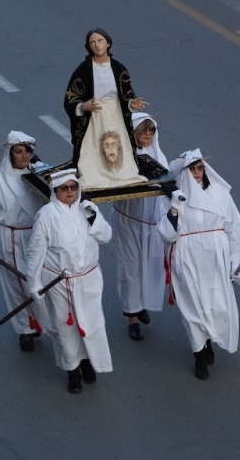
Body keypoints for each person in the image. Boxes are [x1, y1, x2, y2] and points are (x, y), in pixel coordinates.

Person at [158, 149, 240, 380]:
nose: (197, 172)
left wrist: (236, 260)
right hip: (187, 256)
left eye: (200, 168)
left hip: (215, 258)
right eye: (192, 168)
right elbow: (167, 234)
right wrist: (174, 207)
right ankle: (199, 354)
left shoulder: (220, 193)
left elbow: (235, 227)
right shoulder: (174, 198)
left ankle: (209, 339)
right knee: (192, 308)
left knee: (216, 304)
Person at [26, 169, 113, 393]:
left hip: (89, 279)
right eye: (64, 188)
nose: (70, 192)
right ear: (55, 191)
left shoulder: (88, 210)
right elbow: (36, 251)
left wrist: (94, 218)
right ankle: (72, 369)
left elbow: (106, 237)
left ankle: (87, 360)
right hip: (59, 281)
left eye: (73, 187)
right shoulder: (46, 215)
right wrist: (33, 283)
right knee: (66, 326)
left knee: (91, 322)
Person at [0, 131, 50, 352]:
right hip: (12, 238)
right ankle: (25, 330)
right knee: (17, 285)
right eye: (18, 151)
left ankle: (39, 321)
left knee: (39, 283)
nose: (24, 155)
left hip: (36, 236)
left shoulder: (40, 173)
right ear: (10, 154)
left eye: (27, 151)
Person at [63, 28, 149, 189]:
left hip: (115, 115)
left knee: (119, 144)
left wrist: (132, 104)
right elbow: (71, 96)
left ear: (108, 43)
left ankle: (122, 173)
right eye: (92, 43)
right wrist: (84, 106)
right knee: (94, 146)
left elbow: (126, 95)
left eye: (100, 41)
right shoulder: (83, 70)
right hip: (94, 117)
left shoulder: (118, 68)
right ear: (88, 47)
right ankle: (94, 174)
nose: (97, 45)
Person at [110, 113, 169, 341]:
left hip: (151, 223)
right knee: (130, 270)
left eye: (151, 131)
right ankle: (132, 317)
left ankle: (140, 304)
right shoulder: (123, 157)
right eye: (143, 131)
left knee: (149, 267)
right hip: (128, 222)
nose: (147, 135)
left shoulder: (158, 155)